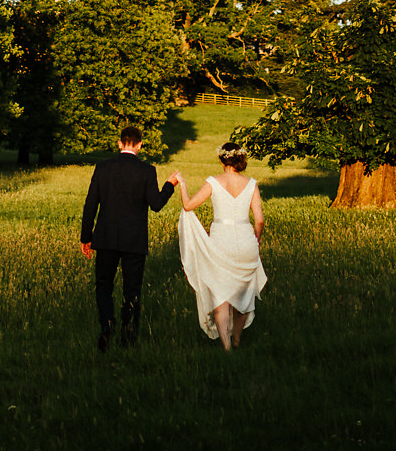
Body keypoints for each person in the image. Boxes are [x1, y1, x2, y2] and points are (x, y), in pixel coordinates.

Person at [80, 125, 181, 351]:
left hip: (105, 238)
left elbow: (90, 205)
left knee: (103, 285)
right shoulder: (147, 170)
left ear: (119, 143)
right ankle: (128, 337)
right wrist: (169, 185)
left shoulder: (103, 167)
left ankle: (107, 325)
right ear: (139, 145)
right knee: (132, 289)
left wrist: (86, 237)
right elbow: (156, 205)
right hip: (134, 240)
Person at [177, 141, 267, 351]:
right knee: (244, 293)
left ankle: (226, 347)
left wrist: (182, 183)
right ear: (240, 159)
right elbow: (260, 219)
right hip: (246, 241)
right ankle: (236, 340)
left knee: (220, 294)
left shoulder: (213, 182)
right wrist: (257, 238)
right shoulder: (251, 183)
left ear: (221, 159)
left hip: (221, 242)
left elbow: (188, 205)